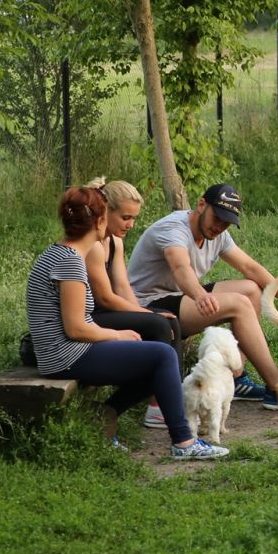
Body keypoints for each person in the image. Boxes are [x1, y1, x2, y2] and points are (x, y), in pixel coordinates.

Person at [26, 185, 227, 459]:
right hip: (64, 356)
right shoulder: (70, 261)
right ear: (100, 220)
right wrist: (117, 335)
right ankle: (183, 442)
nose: (129, 224)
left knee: (156, 355)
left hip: (64, 352)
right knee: (162, 356)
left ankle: (104, 414)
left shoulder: (62, 254)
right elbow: (75, 328)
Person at [126, 183, 278, 409]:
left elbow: (250, 267)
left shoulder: (218, 234)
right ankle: (277, 388)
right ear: (201, 205)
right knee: (239, 304)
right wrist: (200, 296)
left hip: (180, 296)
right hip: (146, 306)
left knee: (251, 290)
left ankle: (236, 378)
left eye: (226, 222)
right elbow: (180, 268)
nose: (220, 227)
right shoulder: (173, 229)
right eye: (217, 218)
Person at [83, 178, 181, 431]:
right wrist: (147, 316)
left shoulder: (115, 241)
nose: (131, 224)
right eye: (125, 217)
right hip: (90, 316)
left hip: (107, 311)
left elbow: (123, 288)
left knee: (170, 322)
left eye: (134, 218)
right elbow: (104, 297)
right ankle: (162, 407)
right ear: (105, 211)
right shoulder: (93, 245)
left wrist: (146, 313)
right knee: (159, 325)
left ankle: (160, 403)